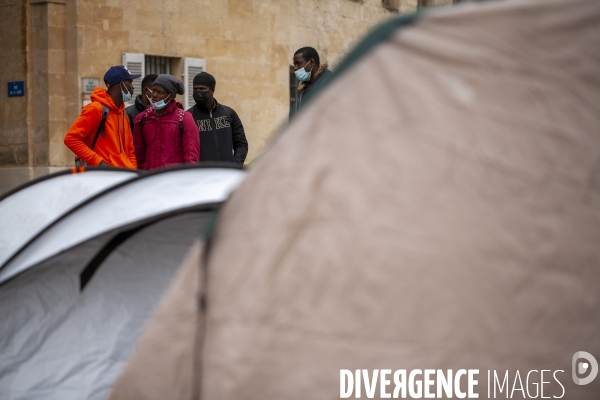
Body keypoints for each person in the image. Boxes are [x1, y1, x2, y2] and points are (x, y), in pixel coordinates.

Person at [64, 65, 139, 168]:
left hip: (122, 176)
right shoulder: (96, 109)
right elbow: (71, 138)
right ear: (121, 84)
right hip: (100, 177)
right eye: (130, 82)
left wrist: (132, 171)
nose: (133, 87)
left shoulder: (123, 113)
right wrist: (98, 162)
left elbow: (130, 150)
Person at [133, 74, 199, 170]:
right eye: (154, 90)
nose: (154, 95)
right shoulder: (142, 119)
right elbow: (138, 155)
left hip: (173, 179)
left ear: (171, 95)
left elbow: (191, 157)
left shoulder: (184, 119)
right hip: (149, 178)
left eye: (160, 92)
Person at [187, 72, 248, 165]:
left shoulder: (228, 113)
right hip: (202, 175)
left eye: (202, 88)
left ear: (212, 90)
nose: (198, 92)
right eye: (195, 89)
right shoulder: (188, 117)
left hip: (227, 175)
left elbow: (241, 144)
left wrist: (235, 165)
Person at [293, 46, 333, 110]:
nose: (295, 68)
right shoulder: (304, 92)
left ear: (311, 62)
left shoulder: (330, 82)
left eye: (298, 63)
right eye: (294, 64)